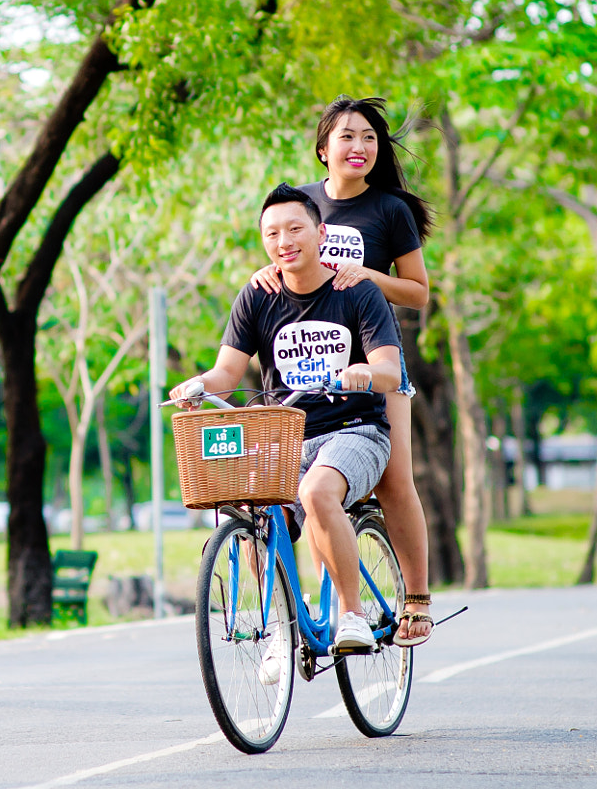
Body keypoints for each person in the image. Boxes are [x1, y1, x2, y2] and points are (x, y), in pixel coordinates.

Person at [175, 184, 416, 680]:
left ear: (320, 233)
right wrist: (198, 384)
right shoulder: (257, 296)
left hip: (357, 430)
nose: (284, 240)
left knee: (316, 490)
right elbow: (226, 372)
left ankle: (351, 615)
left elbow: (390, 370)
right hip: (286, 435)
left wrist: (364, 374)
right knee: (252, 509)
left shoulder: (357, 292)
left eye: (294, 228)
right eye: (272, 233)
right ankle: (280, 630)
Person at [249, 96, 433, 645]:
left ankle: (416, 600)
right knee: (301, 491)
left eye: (371, 138)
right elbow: (286, 253)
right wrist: (267, 269)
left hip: (372, 362)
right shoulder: (299, 203)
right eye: (348, 137)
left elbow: (419, 293)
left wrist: (364, 275)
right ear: (323, 147)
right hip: (306, 367)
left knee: (394, 480)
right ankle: (303, 606)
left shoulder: (389, 210)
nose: (361, 147)